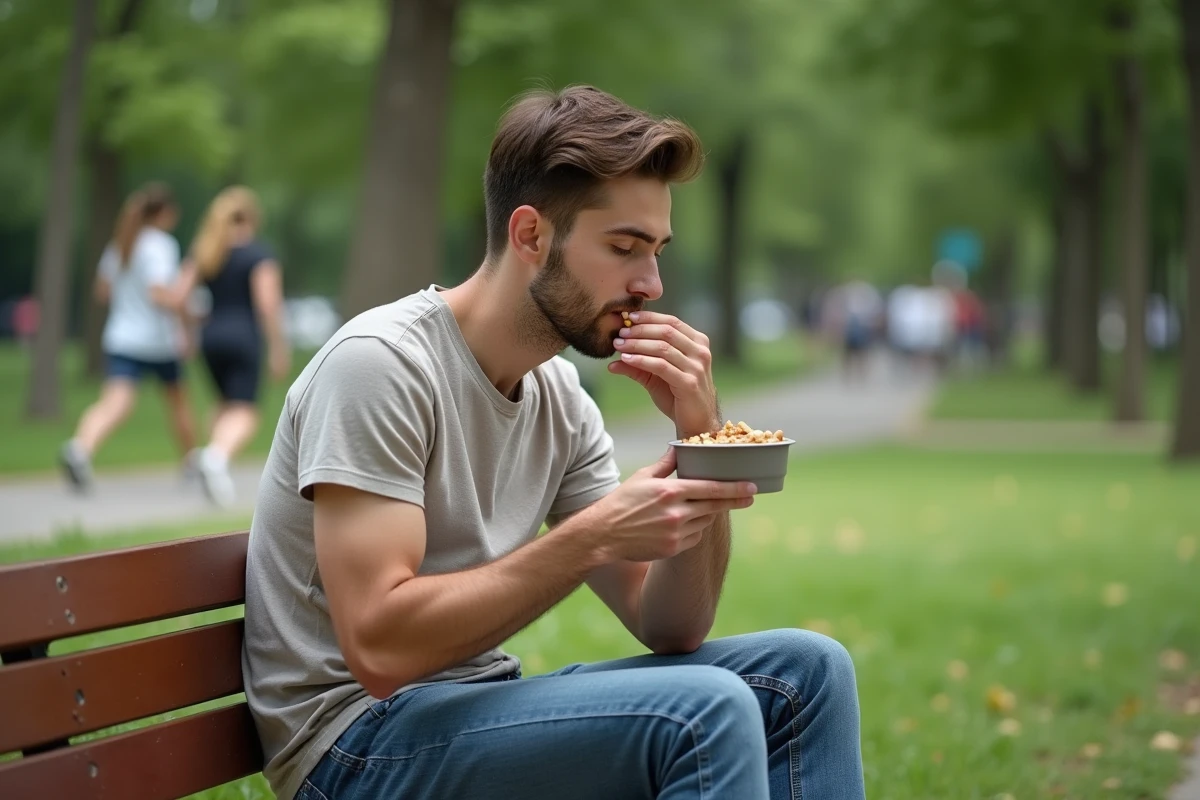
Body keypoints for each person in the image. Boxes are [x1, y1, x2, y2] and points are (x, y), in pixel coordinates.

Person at [243, 86, 865, 800]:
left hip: (467, 712)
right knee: (705, 713)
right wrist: (592, 537)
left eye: (656, 251)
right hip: (355, 745)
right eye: (624, 247)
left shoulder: (559, 398)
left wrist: (702, 438)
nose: (651, 284)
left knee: (809, 673)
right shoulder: (381, 365)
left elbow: (670, 626)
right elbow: (380, 649)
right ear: (531, 236)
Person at [59, 183, 196, 491]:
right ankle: (191, 463)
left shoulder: (121, 242)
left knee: (115, 402)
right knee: (178, 401)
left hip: (122, 336)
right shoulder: (161, 244)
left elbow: (102, 290)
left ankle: (80, 449)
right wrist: (186, 304)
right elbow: (159, 293)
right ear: (164, 213)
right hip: (158, 341)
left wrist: (128, 299)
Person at [178, 186, 290, 508]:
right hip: (243, 336)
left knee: (225, 404)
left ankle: (213, 461)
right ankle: (216, 457)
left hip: (210, 335)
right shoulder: (259, 254)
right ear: (252, 218)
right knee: (246, 411)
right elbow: (267, 303)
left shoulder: (206, 251)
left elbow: (179, 297)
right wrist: (278, 346)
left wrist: (188, 330)